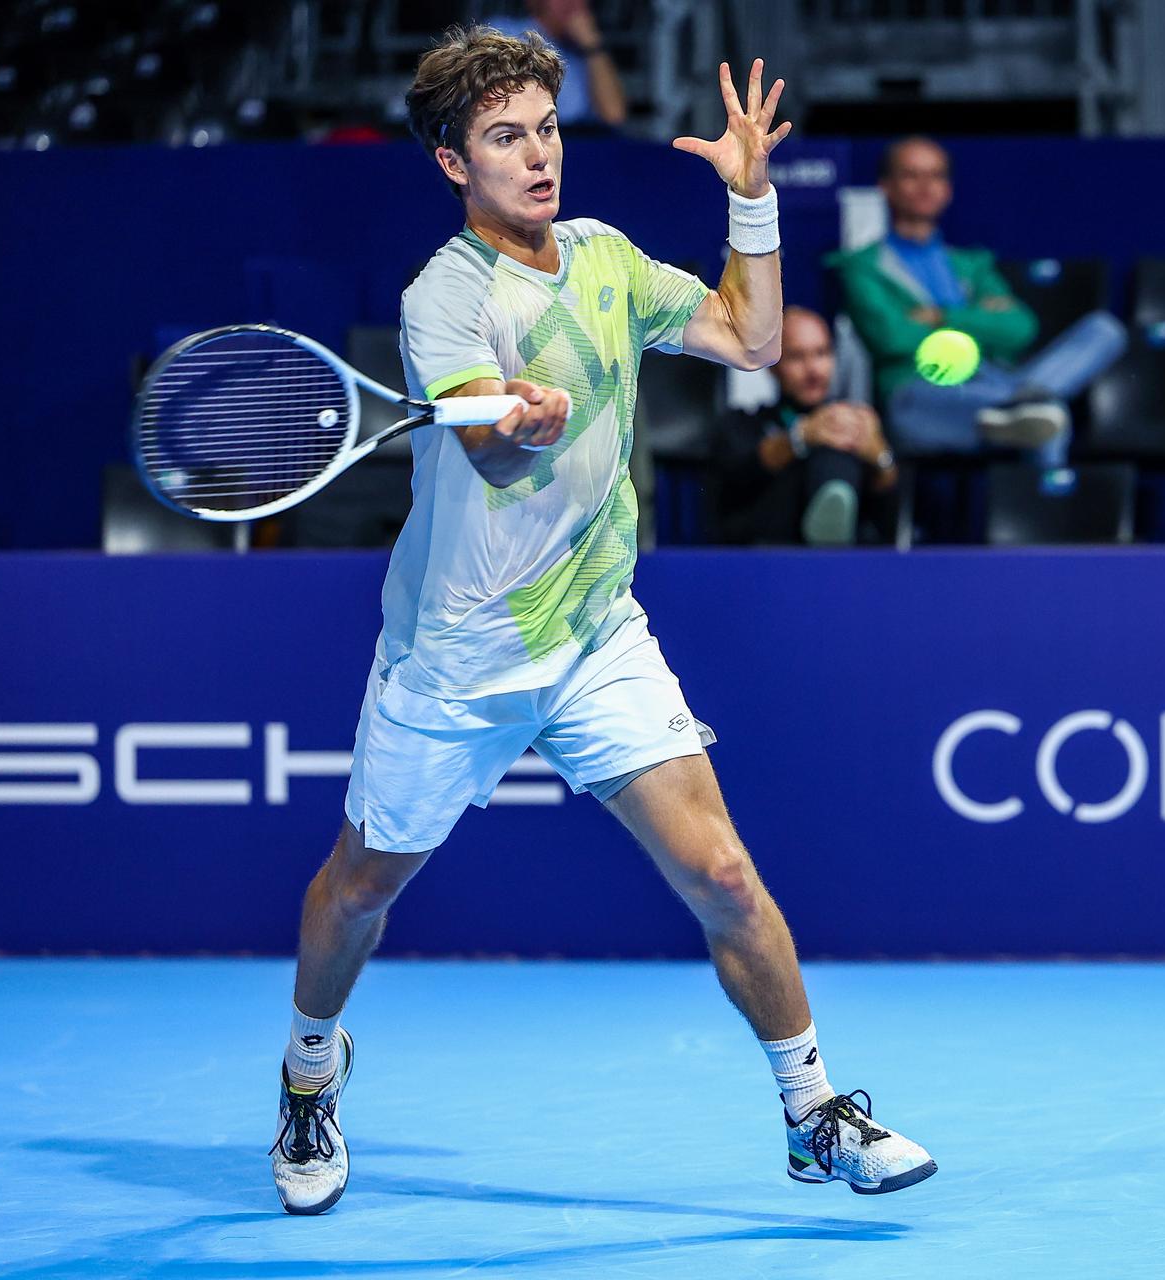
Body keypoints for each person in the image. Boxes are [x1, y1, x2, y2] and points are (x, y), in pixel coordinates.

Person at [266, 28, 934, 1216]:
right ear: (451, 164)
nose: (538, 156)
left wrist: (753, 203)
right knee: (359, 888)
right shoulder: (446, 294)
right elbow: (479, 426)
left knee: (723, 873)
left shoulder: (609, 258)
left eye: (548, 128)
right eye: (505, 137)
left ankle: (813, 1108)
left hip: (594, 637)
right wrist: (518, 411)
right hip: (457, 658)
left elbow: (752, 336)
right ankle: (310, 1066)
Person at [836, 135, 1127, 462]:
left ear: (948, 189)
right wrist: (979, 317)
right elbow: (891, 338)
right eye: (911, 175)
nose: (925, 186)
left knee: (1104, 330)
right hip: (920, 394)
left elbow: (1019, 329)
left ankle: (1021, 405)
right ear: (886, 187)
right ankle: (1024, 409)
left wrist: (941, 317)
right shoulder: (862, 265)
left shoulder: (972, 264)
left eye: (936, 176)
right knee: (1048, 417)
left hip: (993, 381)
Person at [712, 305, 899, 545]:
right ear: (772, 366)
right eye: (797, 357)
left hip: (850, 563)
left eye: (822, 353)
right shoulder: (744, 423)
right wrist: (802, 437)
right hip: (768, 555)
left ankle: (831, 534)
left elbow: (890, 517)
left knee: (837, 453)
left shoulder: (858, 424)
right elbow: (740, 473)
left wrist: (878, 454)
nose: (813, 370)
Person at [482, 0, 627, 127]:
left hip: (580, 145)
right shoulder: (503, 32)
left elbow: (614, 115)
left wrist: (592, 45)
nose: (574, 5)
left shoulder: (585, 51)